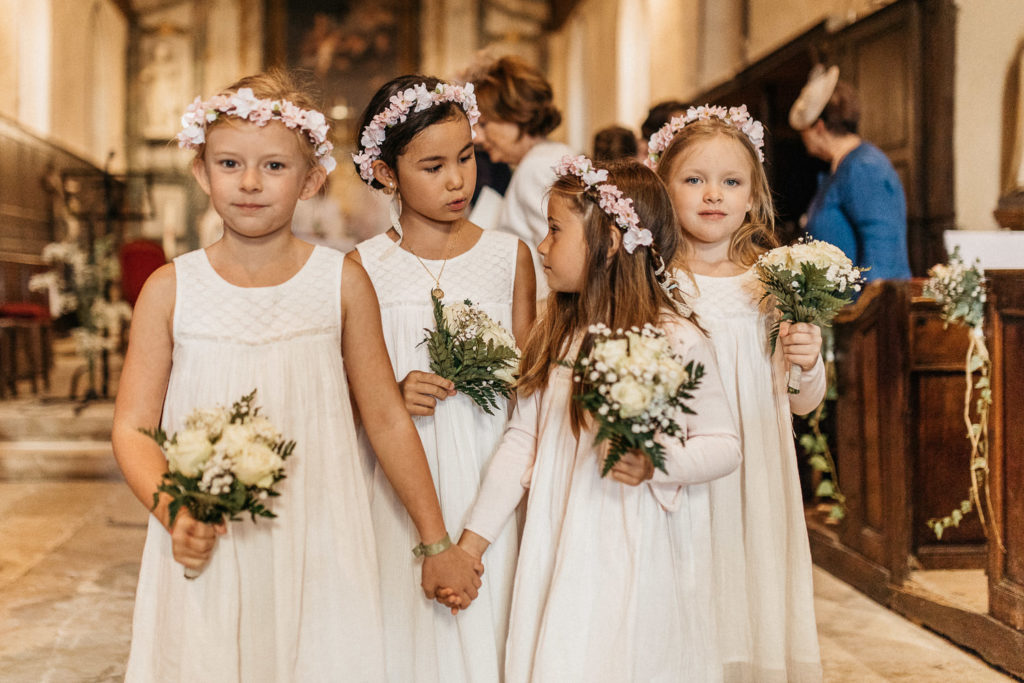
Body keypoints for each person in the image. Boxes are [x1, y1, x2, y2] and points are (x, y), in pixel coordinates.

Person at [111, 70, 482, 682]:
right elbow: (132, 426)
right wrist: (176, 512)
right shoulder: (170, 290)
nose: (250, 183)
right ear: (202, 172)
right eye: (230, 163)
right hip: (209, 526)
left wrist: (436, 539)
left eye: (275, 167)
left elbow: (386, 417)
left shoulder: (340, 282)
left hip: (319, 530)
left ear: (312, 179)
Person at [455, 157, 742, 681]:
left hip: (638, 539)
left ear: (609, 241)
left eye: (554, 230)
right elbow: (523, 441)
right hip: (560, 534)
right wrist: (474, 542)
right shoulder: (558, 334)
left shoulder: (675, 337)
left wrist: (659, 463)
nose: (542, 246)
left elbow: (724, 443)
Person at [349, 74, 536, 683]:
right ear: (385, 173)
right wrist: (390, 393)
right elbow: (346, 390)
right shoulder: (362, 267)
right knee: (408, 634)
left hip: (492, 473)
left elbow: (530, 389)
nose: (458, 179)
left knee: (497, 623)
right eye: (433, 165)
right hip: (404, 477)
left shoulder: (511, 257)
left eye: (466, 157)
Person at [650, 105, 826, 681]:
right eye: (693, 179)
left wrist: (808, 358)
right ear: (663, 187)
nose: (713, 195)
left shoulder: (772, 282)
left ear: (752, 196)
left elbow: (801, 401)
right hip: (684, 464)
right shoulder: (653, 281)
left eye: (731, 182)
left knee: (748, 583)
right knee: (688, 582)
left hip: (756, 471)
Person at [789, 65, 911, 281]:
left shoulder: (863, 166)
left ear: (819, 127)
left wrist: (866, 311)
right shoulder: (839, 168)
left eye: (804, 131)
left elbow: (883, 253)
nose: (802, 138)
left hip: (860, 310)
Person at [472, 55, 573, 300]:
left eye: (484, 124)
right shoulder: (554, 155)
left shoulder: (536, 168)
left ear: (516, 115)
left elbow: (564, 258)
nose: (476, 137)